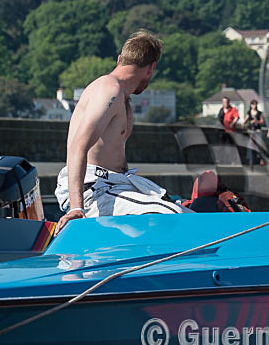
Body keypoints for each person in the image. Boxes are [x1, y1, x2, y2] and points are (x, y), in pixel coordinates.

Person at [54, 30, 190, 234]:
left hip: (118, 183)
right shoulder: (109, 89)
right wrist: (76, 208)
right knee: (171, 216)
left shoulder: (121, 94)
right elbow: (77, 147)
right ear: (151, 68)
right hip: (95, 187)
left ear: (120, 59)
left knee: (191, 215)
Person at [244, 99, 265, 167]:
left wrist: (256, 121)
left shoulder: (259, 113)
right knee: (250, 146)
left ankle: (261, 159)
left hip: (257, 131)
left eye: (255, 104)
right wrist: (243, 125)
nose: (254, 105)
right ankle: (250, 160)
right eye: (252, 104)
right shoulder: (249, 112)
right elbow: (245, 120)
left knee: (259, 146)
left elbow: (262, 121)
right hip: (251, 131)